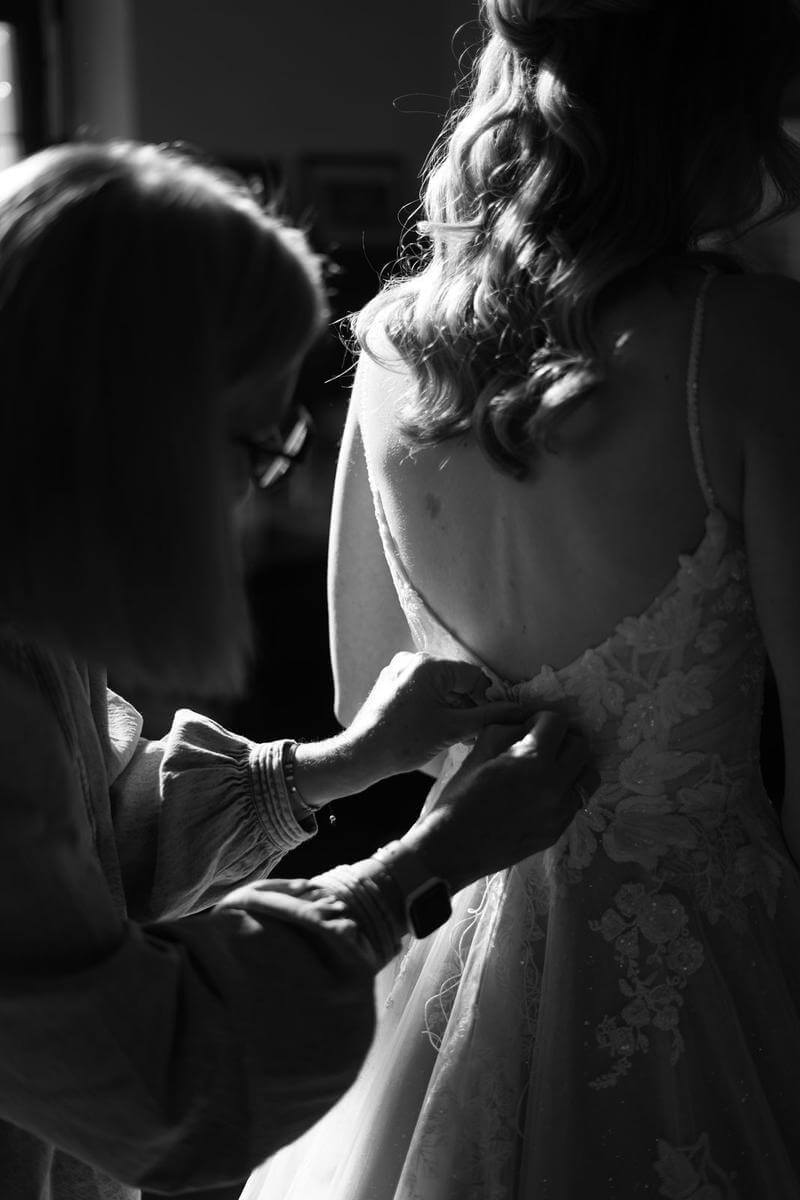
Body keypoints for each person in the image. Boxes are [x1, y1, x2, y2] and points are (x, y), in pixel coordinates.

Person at [241, 1, 800, 1197]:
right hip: (710, 961)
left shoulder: (389, 348)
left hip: (460, 930)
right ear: (706, 102)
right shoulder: (749, 343)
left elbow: (365, 694)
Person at [0, 141, 595, 1200]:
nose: (254, 491)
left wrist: (346, 759)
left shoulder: (33, 616)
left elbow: (89, 856)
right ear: (131, 424)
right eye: (251, 445)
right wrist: (421, 868)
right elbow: (155, 1079)